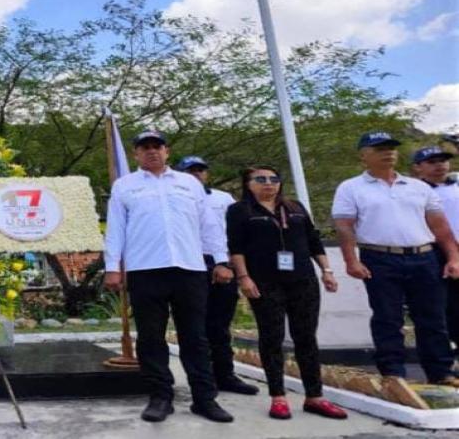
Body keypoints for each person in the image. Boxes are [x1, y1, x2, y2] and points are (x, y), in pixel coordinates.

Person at [104, 131, 235, 424]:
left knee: (195, 337)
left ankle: (204, 399)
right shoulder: (125, 186)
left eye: (157, 147)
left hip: (189, 268)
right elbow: (116, 229)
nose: (151, 152)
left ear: (167, 151)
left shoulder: (189, 183)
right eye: (144, 148)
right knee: (151, 337)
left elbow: (209, 225)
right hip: (145, 269)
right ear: (136, 154)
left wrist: (222, 260)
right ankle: (160, 397)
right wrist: (113, 266)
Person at [332, 132, 459, 388]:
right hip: (379, 257)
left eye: (391, 148)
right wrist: (351, 260)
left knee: (432, 318)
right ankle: (393, 372)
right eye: (379, 148)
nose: (387, 152)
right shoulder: (351, 187)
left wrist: (453, 256)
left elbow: (440, 225)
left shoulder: (417, 187)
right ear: (364, 155)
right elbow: (344, 226)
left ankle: (440, 371)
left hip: (423, 256)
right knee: (387, 318)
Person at [227, 166, 348, 420]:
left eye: (274, 179)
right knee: (272, 338)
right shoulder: (240, 210)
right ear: (248, 184)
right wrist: (243, 277)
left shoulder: (295, 208)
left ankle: (314, 396)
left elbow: (313, 240)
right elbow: (235, 248)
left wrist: (327, 271)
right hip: (265, 282)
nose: (268, 184)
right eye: (260, 179)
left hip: (302, 280)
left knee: (306, 338)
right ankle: (278, 396)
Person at [175, 155, 259, 396]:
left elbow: (234, 231)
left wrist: (231, 263)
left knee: (220, 325)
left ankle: (225, 375)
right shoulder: (175, 197)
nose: (196, 174)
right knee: (193, 327)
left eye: (200, 170)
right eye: (190, 171)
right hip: (189, 264)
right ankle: (201, 380)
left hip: (221, 263)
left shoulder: (223, 199)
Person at [411, 146, 459, 370]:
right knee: (443, 307)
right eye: (432, 162)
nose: (439, 165)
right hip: (436, 251)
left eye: (442, 160)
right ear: (418, 167)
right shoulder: (414, 190)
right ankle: (442, 364)